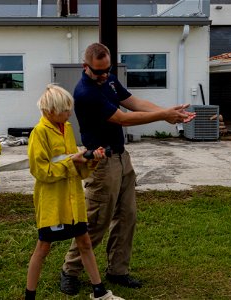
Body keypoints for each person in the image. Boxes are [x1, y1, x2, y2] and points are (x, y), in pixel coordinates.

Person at [60, 42, 196, 294]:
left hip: (122, 158)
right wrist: (163, 116)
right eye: (98, 71)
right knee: (96, 221)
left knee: (127, 216)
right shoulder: (85, 92)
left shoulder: (109, 80)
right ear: (85, 67)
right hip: (100, 163)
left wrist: (168, 111)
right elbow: (122, 118)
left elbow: (133, 102)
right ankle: (70, 270)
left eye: (106, 70)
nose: (103, 75)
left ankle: (118, 270)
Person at [25, 84, 124, 300]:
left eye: (70, 109)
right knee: (43, 247)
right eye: (65, 110)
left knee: (85, 242)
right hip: (53, 201)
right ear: (49, 111)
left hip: (73, 199)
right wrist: (74, 162)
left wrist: (90, 161)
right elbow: (41, 171)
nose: (69, 114)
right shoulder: (39, 133)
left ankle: (99, 291)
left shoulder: (67, 128)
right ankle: (29, 295)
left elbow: (75, 166)